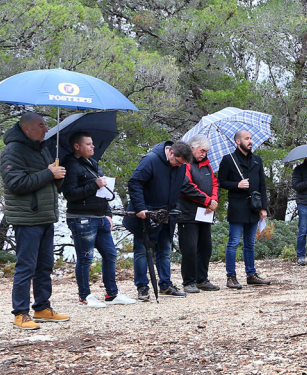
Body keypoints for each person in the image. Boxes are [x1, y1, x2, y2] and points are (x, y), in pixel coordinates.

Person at [0, 112, 69, 329]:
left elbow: (49, 183)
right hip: (27, 218)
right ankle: (20, 313)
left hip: (46, 216)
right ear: (27, 128)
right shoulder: (12, 150)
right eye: (41, 125)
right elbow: (16, 183)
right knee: (26, 267)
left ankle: (42, 308)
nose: (46, 129)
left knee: (44, 265)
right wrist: (49, 174)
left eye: (45, 125)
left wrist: (58, 176)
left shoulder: (43, 149)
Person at [61, 130, 135, 308]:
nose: (92, 146)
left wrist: (108, 214)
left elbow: (103, 193)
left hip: (100, 216)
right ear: (77, 146)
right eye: (88, 144)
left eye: (92, 143)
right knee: (85, 257)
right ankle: (84, 296)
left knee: (110, 254)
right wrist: (94, 184)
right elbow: (69, 194)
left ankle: (112, 294)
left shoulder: (93, 163)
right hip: (82, 218)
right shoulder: (70, 165)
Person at [126, 140, 191, 299]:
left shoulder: (180, 165)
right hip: (147, 213)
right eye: (177, 162)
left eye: (181, 164)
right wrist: (140, 207)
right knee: (142, 251)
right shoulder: (150, 160)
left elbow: (177, 186)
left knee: (164, 251)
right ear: (171, 153)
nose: (178, 166)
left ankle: (165, 285)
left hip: (167, 214)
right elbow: (135, 183)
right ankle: (142, 287)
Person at [216, 129, 270, 289]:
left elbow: (262, 185)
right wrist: (237, 185)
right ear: (238, 141)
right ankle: (231, 277)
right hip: (237, 207)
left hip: (254, 207)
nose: (250, 141)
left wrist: (263, 208)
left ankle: (251, 275)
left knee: (250, 244)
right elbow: (221, 181)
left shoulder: (257, 160)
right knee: (233, 243)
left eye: (251, 138)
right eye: (247, 138)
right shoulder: (228, 160)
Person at [177, 135, 220, 293]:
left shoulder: (208, 165)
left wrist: (213, 200)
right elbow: (186, 186)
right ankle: (188, 281)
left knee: (205, 247)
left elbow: (215, 184)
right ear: (192, 148)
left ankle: (202, 278)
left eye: (206, 151)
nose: (204, 153)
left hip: (205, 213)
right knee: (189, 248)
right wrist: (207, 200)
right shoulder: (185, 164)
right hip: (188, 213)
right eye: (202, 150)